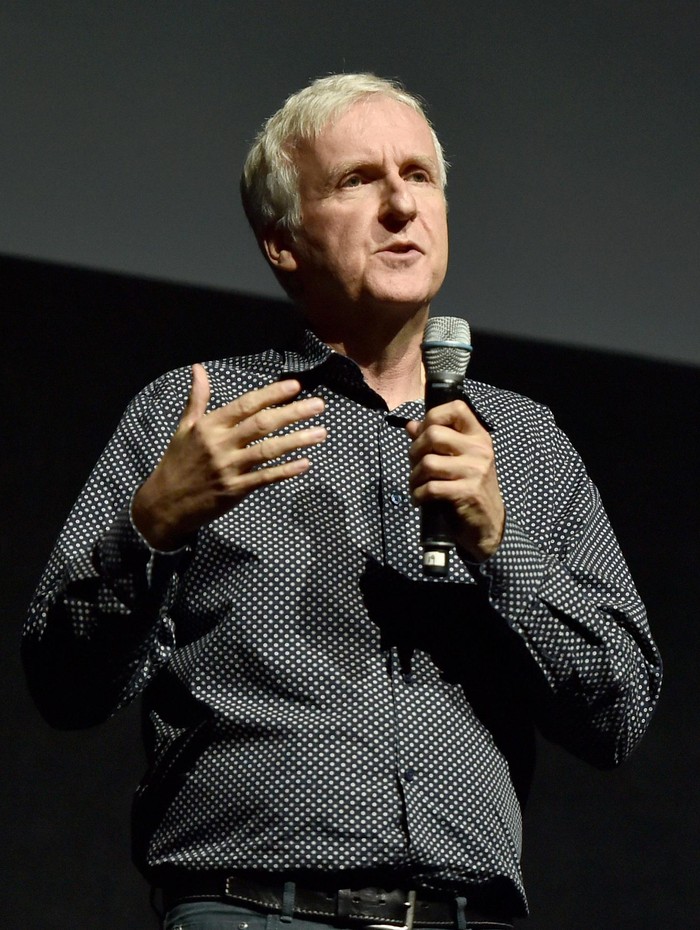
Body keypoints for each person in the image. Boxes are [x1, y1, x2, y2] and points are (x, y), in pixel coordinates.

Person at [23, 73, 662, 928]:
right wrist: (153, 526)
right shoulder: (200, 414)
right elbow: (64, 686)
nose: (401, 204)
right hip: (251, 910)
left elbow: (619, 712)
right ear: (283, 241)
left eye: (419, 176)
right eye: (358, 181)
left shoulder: (526, 442)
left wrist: (501, 546)